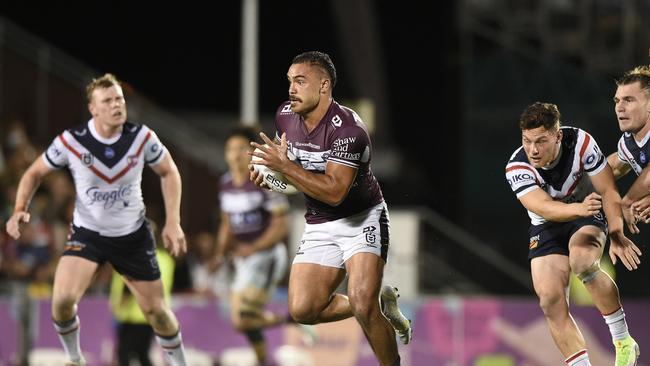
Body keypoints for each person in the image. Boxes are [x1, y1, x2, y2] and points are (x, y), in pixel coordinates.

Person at [5, 73, 188, 365]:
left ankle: (181, 363)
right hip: (87, 235)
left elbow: (169, 171)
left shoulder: (141, 137)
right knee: (62, 303)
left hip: (132, 237)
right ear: (93, 108)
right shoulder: (71, 141)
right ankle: (75, 360)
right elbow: (34, 172)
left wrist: (173, 221)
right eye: (108, 100)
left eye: (120, 99)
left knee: (158, 314)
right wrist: (19, 209)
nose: (117, 105)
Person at [249, 51, 411, 366]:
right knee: (303, 309)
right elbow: (293, 176)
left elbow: (336, 192)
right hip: (320, 222)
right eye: (289, 81)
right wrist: (272, 178)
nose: (291, 89)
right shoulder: (285, 115)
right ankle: (380, 301)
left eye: (300, 81)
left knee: (363, 306)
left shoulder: (349, 130)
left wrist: (284, 166)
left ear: (324, 86)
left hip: (361, 219)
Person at [505, 101, 641, 366]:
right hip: (549, 222)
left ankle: (623, 341)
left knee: (582, 263)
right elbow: (543, 207)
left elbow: (608, 189)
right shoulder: (517, 166)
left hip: (587, 212)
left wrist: (615, 232)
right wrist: (577, 208)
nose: (533, 149)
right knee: (549, 299)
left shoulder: (581, 143)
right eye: (527, 140)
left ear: (558, 135)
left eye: (541, 141)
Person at [212, 126, 311, 366]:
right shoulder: (224, 184)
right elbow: (227, 223)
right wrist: (219, 254)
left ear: (250, 152)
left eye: (240, 148)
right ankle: (281, 332)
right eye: (230, 149)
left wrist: (254, 247)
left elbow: (281, 225)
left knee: (244, 317)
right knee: (242, 321)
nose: (235, 154)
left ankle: (269, 351)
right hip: (244, 259)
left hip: (266, 256)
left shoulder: (264, 179)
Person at [109, 219, 176, 366]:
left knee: (124, 353)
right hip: (155, 314)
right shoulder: (165, 259)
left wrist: (120, 301)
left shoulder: (135, 255)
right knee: (141, 353)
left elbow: (132, 281)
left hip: (134, 314)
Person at [608, 65, 650, 225]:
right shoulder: (628, 143)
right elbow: (614, 166)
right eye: (617, 101)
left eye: (629, 100)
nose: (620, 107)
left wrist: (627, 201)